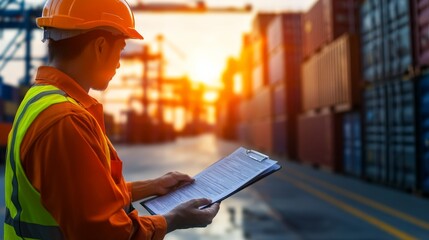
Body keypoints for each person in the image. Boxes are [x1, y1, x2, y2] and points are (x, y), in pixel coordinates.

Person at [3, 0, 220, 239]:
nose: (119, 62)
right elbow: (102, 232)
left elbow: (83, 197)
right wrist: (173, 220)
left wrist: (153, 186)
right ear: (100, 47)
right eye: (121, 49)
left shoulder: (40, 98)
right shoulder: (66, 121)